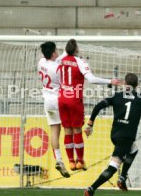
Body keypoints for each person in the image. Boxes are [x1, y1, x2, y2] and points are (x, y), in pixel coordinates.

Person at [83, 73, 141, 196]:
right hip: (126, 137)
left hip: (115, 135)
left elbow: (97, 106)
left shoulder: (116, 96)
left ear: (124, 83)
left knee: (134, 150)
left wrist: (90, 124)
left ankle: (122, 178)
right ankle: (91, 189)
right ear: (137, 85)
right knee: (113, 166)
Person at [58, 39, 121, 171]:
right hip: (74, 100)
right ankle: (80, 161)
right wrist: (110, 81)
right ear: (76, 50)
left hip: (62, 99)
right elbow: (91, 79)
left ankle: (70, 162)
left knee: (67, 131)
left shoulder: (61, 60)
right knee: (77, 130)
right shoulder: (80, 62)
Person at [38, 41, 70, 178]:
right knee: (70, 127)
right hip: (58, 100)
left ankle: (59, 160)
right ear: (53, 53)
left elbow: (56, 58)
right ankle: (75, 160)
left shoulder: (40, 62)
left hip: (47, 102)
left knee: (54, 131)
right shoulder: (57, 67)